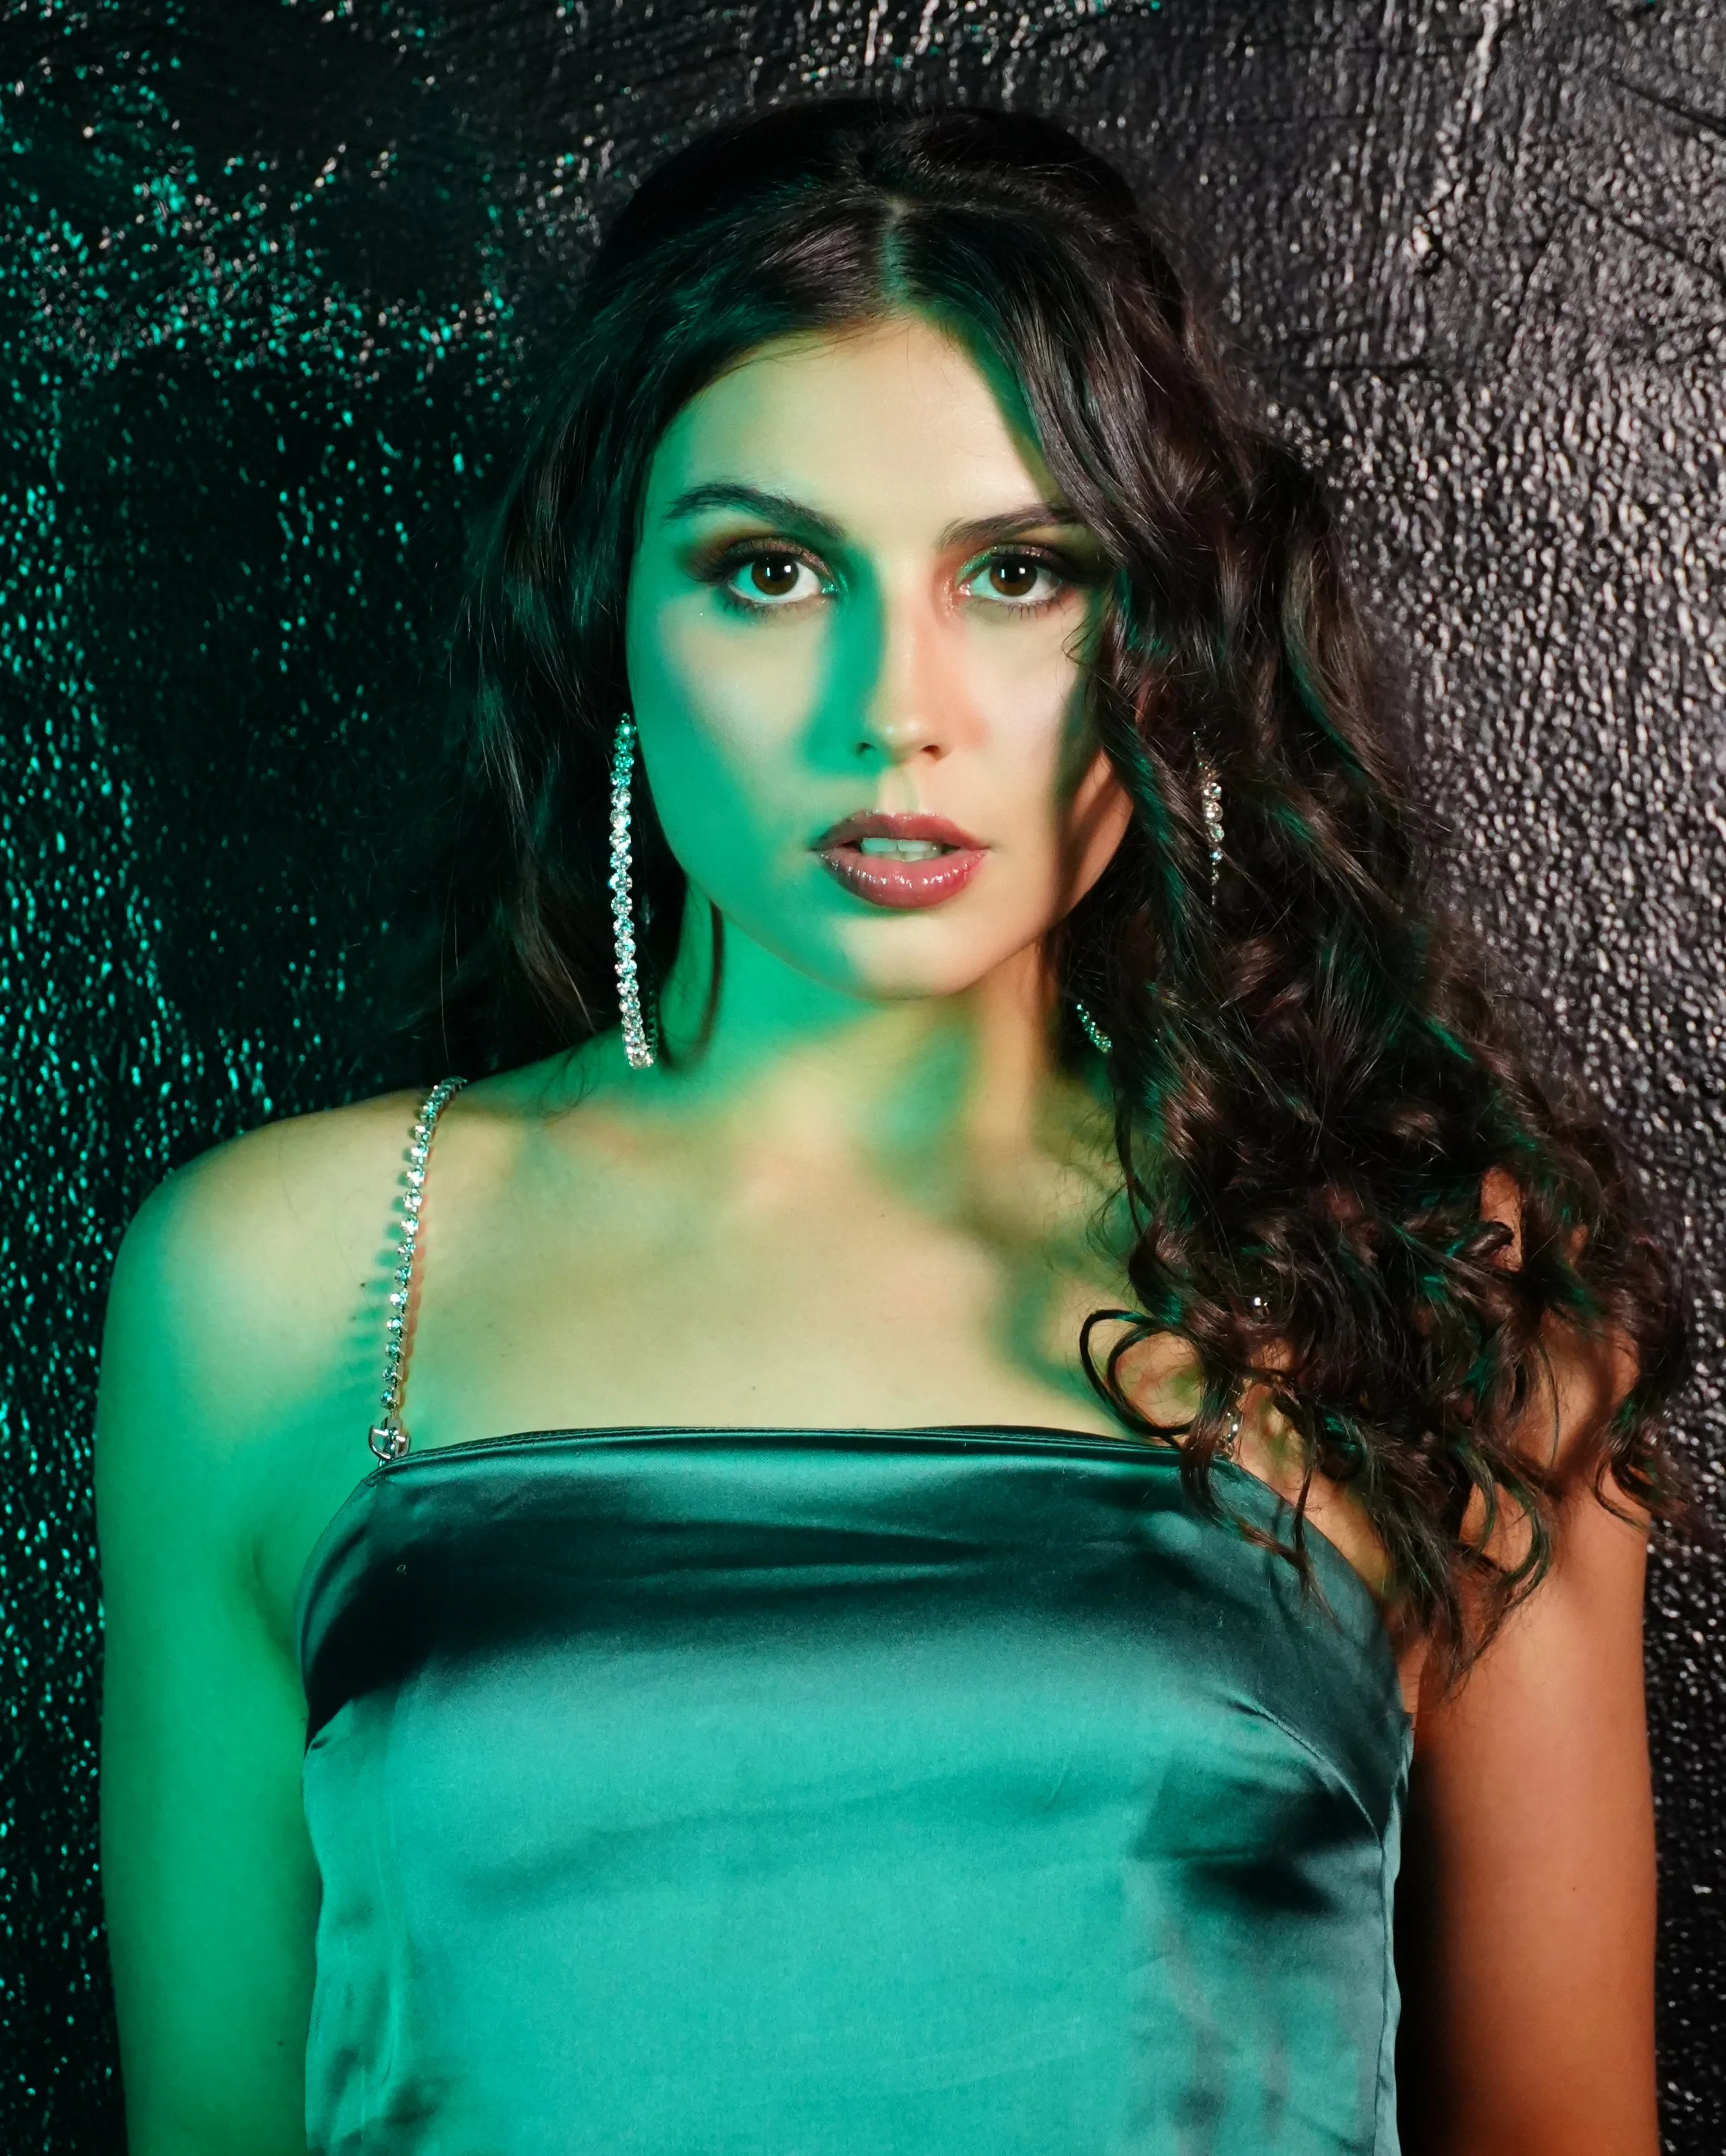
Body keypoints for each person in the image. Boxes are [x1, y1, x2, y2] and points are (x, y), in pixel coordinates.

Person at [94, 100, 1689, 2156]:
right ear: (614, 624)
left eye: (1017, 574)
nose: (892, 710)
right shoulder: (287, 1281)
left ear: (1164, 641)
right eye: (768, 572)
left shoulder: (1427, 1278)